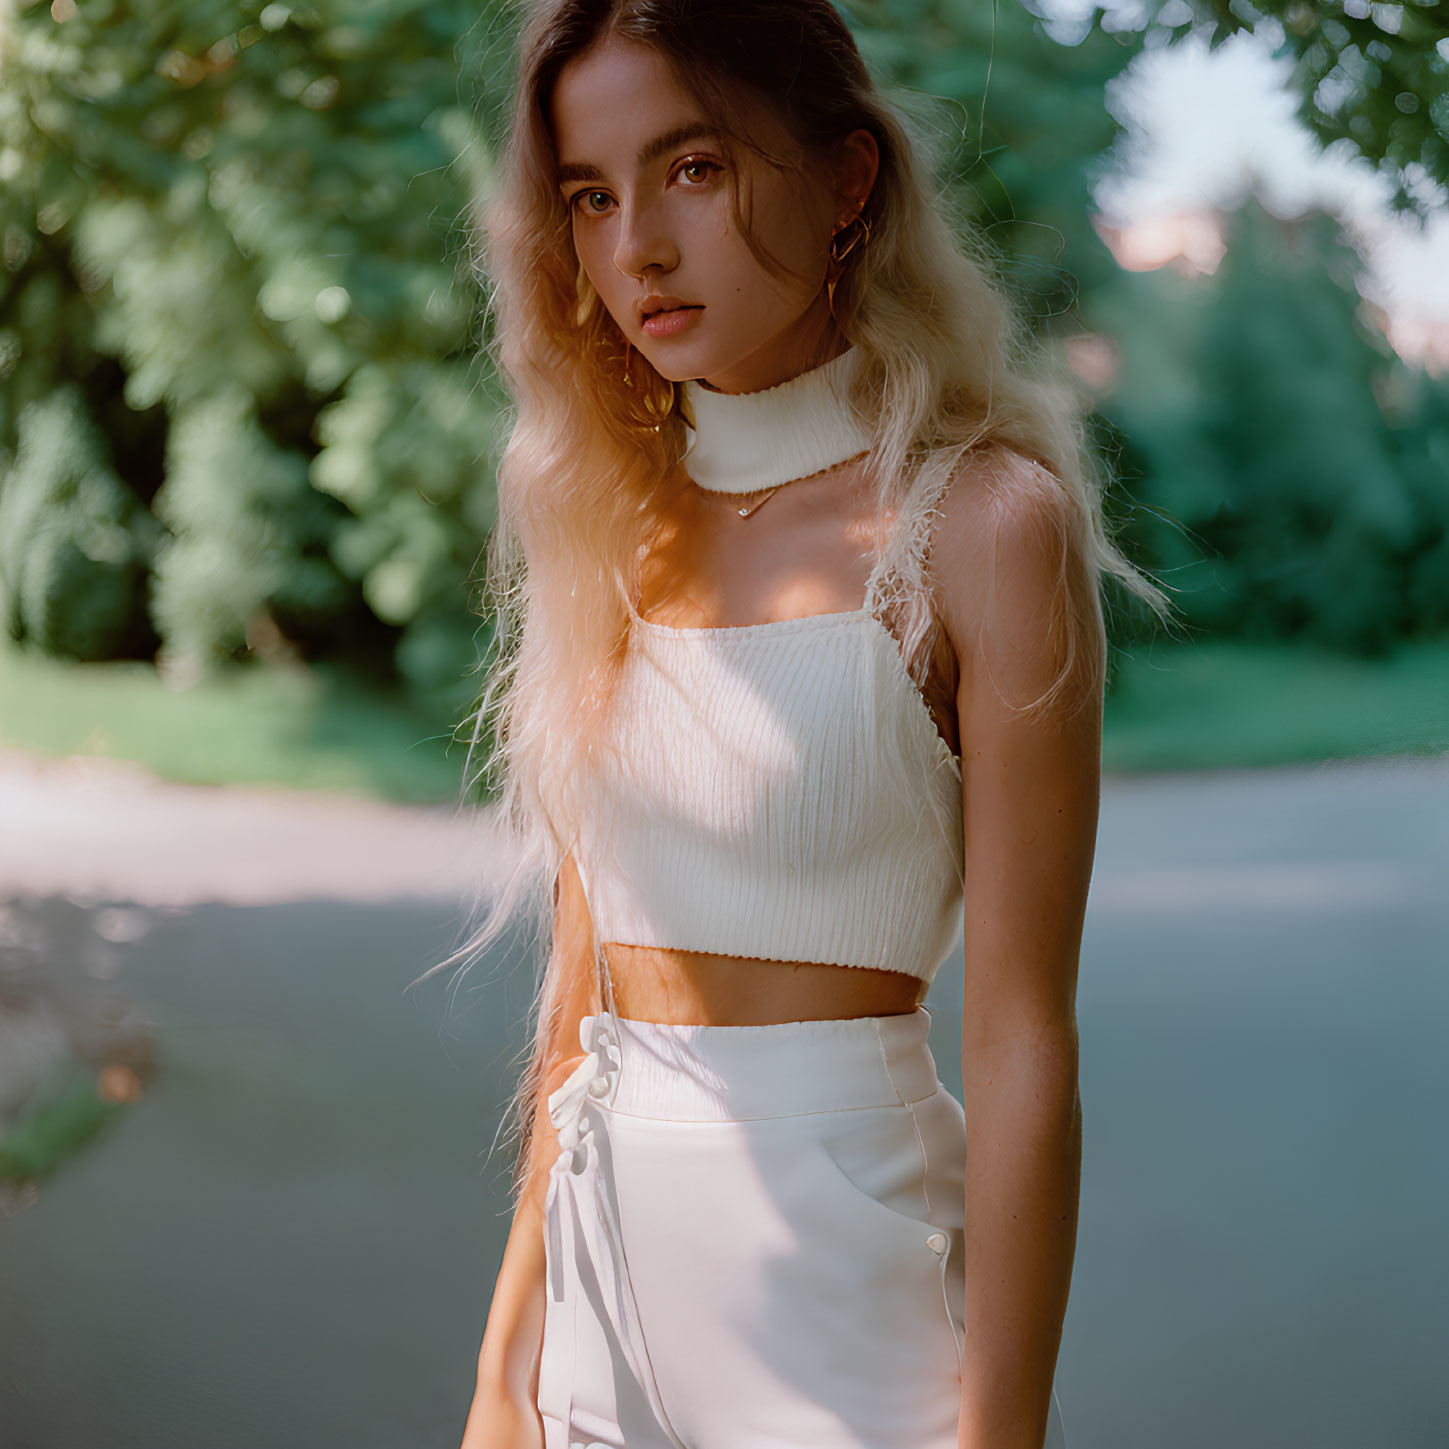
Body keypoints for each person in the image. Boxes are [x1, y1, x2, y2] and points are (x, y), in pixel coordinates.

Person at [446, 2, 1169, 1445]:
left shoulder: (980, 525)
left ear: (846, 182)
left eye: (692, 169)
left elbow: (1025, 1041)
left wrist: (1000, 1431)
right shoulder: (607, 524)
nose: (637, 243)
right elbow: (579, 1007)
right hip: (602, 1314)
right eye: (591, 196)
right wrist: (501, 1368)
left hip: (850, 1320)